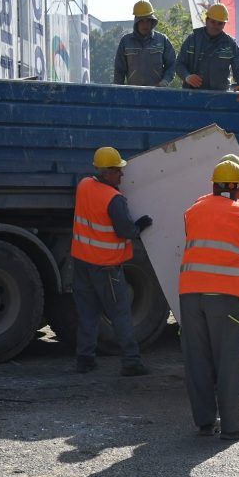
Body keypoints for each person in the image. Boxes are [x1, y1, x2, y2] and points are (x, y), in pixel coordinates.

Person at [179, 160, 239, 440]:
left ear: (213, 184)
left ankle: (205, 423)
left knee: (198, 359)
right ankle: (232, 426)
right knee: (229, 361)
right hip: (227, 298)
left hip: (190, 294)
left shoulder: (193, 210)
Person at [71, 147, 153, 376]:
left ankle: (85, 360)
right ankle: (131, 362)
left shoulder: (84, 185)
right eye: (118, 171)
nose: (122, 175)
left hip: (82, 261)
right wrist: (141, 225)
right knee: (120, 314)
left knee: (88, 313)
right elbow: (126, 231)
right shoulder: (114, 199)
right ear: (107, 173)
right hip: (106, 266)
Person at [175, 3, 239, 102]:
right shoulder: (192, 40)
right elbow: (179, 64)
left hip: (220, 98)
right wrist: (187, 77)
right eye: (213, 22)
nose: (216, 26)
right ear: (206, 20)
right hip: (192, 97)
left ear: (224, 24)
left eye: (220, 23)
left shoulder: (230, 44)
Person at [113, 0, 177, 87]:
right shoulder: (126, 41)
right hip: (133, 94)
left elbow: (172, 64)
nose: (145, 24)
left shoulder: (162, 40)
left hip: (158, 94)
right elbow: (119, 70)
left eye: (148, 21)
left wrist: (165, 81)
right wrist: (118, 92)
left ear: (152, 22)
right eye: (141, 21)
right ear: (136, 22)